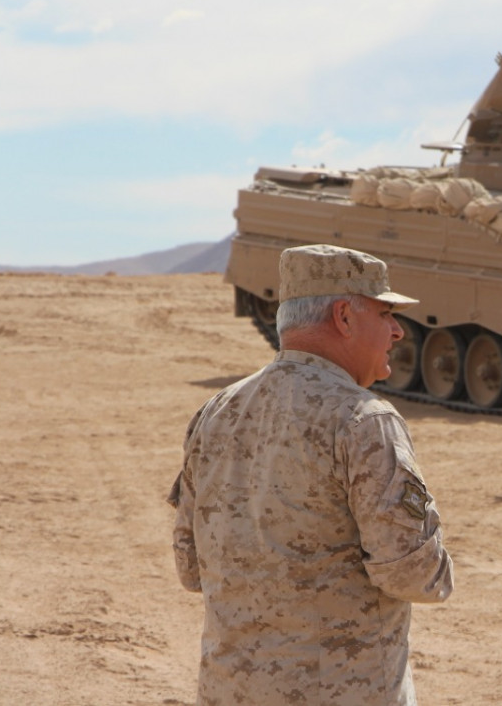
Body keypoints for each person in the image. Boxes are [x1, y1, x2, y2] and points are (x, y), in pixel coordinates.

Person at [169, 244, 454, 706]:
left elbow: (189, 566)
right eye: (385, 313)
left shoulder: (218, 410)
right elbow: (414, 576)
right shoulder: (363, 420)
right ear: (343, 317)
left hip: (231, 690)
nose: (398, 331)